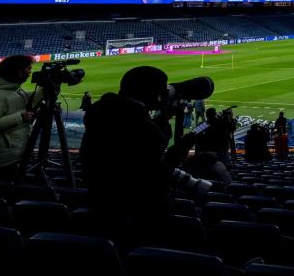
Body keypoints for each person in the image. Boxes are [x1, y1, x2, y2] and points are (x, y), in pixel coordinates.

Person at [81, 66, 211, 242]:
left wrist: (162, 118)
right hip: (134, 217)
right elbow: (156, 174)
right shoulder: (144, 129)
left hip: (97, 205)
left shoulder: (101, 112)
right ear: (153, 95)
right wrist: (183, 144)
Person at [0, 55, 41, 180]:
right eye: (28, 69)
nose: (30, 73)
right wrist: (19, 118)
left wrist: (47, 90)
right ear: (19, 72)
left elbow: (26, 101)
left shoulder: (13, 90)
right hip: (1, 162)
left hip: (13, 156)